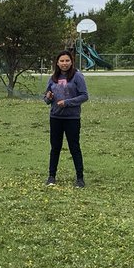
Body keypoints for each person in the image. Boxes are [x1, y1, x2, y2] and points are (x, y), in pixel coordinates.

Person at [44, 49, 89, 187]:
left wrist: (67, 103)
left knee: (74, 147)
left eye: (67, 60)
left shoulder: (77, 76)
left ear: (71, 62)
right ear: (57, 63)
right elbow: (46, 98)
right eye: (62, 61)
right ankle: (51, 176)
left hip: (72, 118)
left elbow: (84, 96)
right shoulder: (53, 78)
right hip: (55, 117)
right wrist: (48, 97)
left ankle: (80, 178)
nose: (64, 63)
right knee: (55, 147)